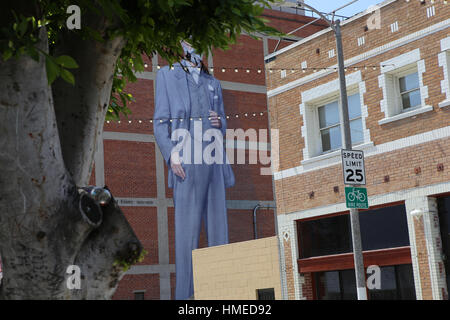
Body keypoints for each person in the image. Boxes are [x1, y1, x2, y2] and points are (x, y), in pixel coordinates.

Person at [153, 42, 235, 300]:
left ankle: (220, 294)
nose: (194, 47)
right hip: (186, 161)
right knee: (186, 235)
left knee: (219, 232)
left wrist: (220, 122)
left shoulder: (214, 83)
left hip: (213, 159)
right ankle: (185, 297)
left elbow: (222, 123)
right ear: (181, 46)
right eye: (189, 42)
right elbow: (159, 123)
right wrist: (171, 153)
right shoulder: (166, 75)